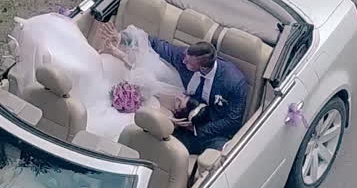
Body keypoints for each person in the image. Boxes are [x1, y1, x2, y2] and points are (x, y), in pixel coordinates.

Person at [99, 26, 248, 154]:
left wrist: (195, 129)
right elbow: (154, 44)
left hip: (213, 130)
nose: (183, 62)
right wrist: (122, 38)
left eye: (188, 62)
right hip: (181, 119)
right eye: (185, 58)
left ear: (202, 67)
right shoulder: (184, 57)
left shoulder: (234, 82)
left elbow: (232, 121)